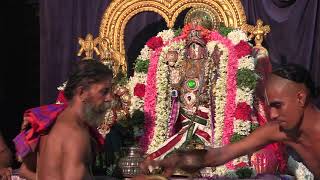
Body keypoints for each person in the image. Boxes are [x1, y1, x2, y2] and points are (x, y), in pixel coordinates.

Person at [140, 63, 320, 178]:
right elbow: (220, 155)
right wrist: (175, 159)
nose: (272, 115)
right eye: (269, 106)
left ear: (300, 98)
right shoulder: (278, 130)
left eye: (278, 105)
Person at [14, 60, 113, 180]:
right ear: (82, 92)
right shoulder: (76, 134)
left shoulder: (51, 120)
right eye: (104, 91)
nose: (109, 98)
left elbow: (26, 171)